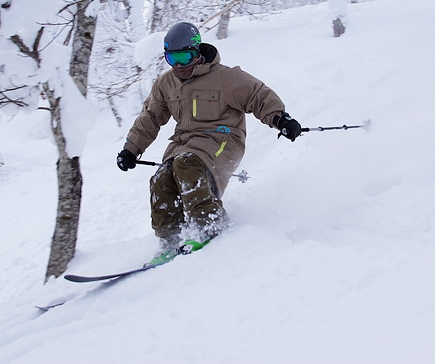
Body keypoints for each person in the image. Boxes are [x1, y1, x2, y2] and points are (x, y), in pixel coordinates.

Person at [116, 22, 301, 265]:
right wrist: (132, 148)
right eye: (173, 59)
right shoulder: (166, 83)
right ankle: (170, 239)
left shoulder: (225, 77)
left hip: (223, 139)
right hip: (184, 143)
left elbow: (257, 94)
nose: (180, 66)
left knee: (187, 165)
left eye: (185, 57)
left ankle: (208, 224)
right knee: (161, 178)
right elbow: (150, 117)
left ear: (197, 52)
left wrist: (280, 118)